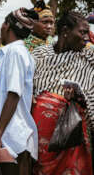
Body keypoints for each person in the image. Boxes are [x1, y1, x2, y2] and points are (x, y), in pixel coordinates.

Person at [32, 11, 93, 175]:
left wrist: (80, 98)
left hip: (73, 134)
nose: (86, 37)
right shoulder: (39, 55)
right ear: (65, 31)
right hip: (41, 135)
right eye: (82, 32)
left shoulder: (88, 58)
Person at [0, 8, 39, 175]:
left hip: (14, 136)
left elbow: (14, 94)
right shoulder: (14, 52)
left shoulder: (15, 52)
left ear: (7, 25)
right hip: (12, 133)